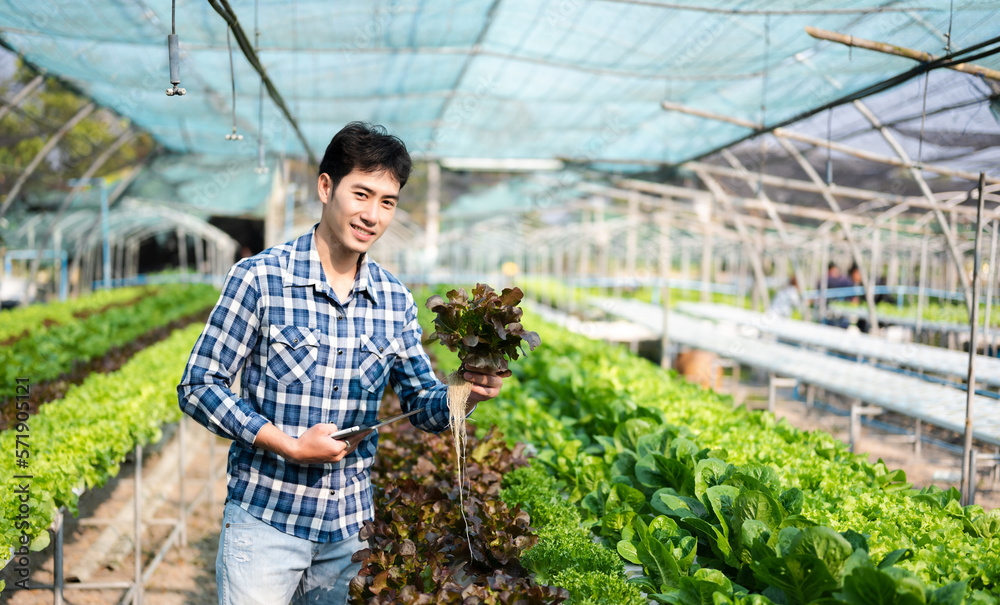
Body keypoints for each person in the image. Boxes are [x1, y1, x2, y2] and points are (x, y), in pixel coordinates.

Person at [176, 122, 504, 605]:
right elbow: (199, 385)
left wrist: (464, 393)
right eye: (362, 194)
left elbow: (421, 404)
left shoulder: (393, 299)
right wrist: (287, 445)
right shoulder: (261, 278)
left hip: (349, 534)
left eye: (387, 202)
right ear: (326, 187)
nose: (372, 215)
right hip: (266, 523)